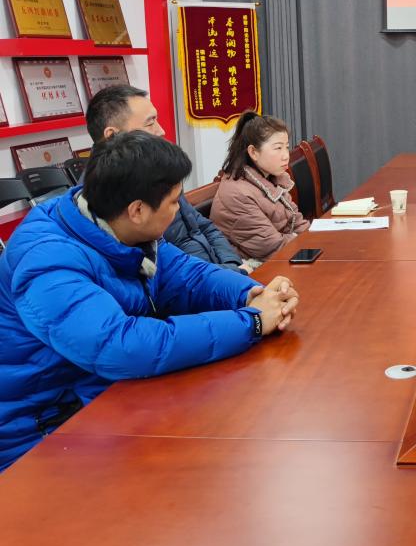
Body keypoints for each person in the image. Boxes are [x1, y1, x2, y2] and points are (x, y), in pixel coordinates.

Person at [0, 132, 299, 471]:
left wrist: (252, 294)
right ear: (138, 210)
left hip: (103, 397)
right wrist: (252, 321)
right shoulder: (47, 262)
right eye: (173, 202)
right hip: (40, 433)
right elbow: (121, 346)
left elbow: (186, 274)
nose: (179, 209)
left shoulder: (116, 225)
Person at [85, 85, 249, 272]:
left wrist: (233, 265)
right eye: (150, 123)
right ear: (113, 136)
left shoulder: (157, 171)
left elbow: (204, 226)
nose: (161, 131)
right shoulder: (108, 200)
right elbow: (168, 270)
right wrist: (233, 275)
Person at [211, 111, 310, 261]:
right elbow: (274, 248)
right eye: (278, 148)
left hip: (282, 255)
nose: (286, 155)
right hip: (255, 268)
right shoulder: (237, 194)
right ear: (253, 152)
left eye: (286, 147)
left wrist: (317, 238)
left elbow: (298, 223)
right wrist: (306, 239)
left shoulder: (272, 178)